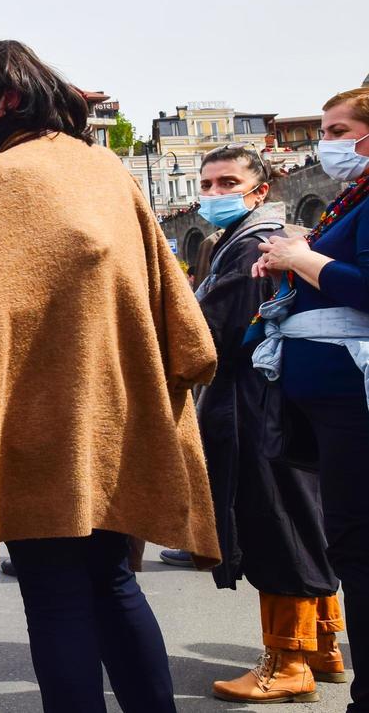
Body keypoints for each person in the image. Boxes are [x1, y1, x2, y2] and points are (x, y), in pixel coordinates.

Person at [0, 40, 220, 713]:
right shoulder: (105, 169)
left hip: (32, 422)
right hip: (117, 415)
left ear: (8, 99)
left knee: (53, 597)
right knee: (111, 582)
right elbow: (177, 310)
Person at [190, 145, 344, 703]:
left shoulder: (255, 245)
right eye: (207, 183)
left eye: (227, 182)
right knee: (301, 520)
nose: (213, 194)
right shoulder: (253, 241)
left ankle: (287, 662)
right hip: (272, 402)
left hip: (257, 406)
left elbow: (215, 333)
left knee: (274, 523)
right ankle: (323, 645)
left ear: (259, 190)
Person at [253, 86, 369, 711]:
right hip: (332, 400)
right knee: (350, 539)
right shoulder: (355, 197)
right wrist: (294, 259)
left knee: (358, 543)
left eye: (336, 128)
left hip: (351, 400)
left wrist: (303, 259)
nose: (324, 141)